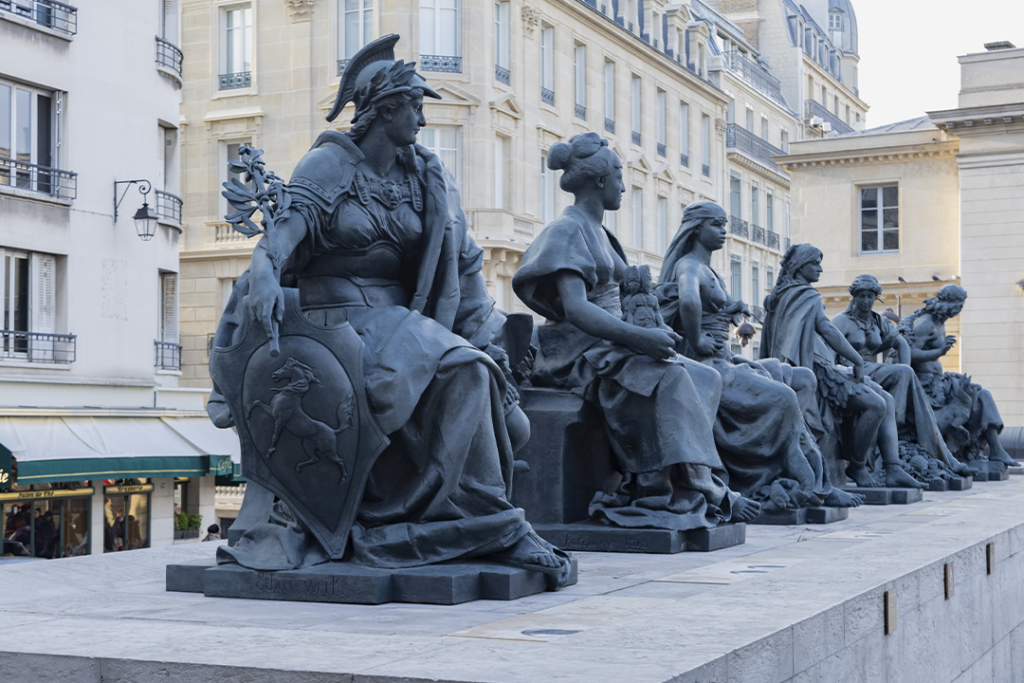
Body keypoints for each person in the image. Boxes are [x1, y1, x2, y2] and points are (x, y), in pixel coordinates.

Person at [213, 34, 570, 586]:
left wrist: (494, 331)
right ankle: (493, 522)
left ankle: (450, 518)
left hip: (402, 324)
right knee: (464, 369)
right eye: (415, 106)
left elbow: (465, 266)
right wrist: (263, 268)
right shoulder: (330, 162)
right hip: (335, 321)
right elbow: (285, 231)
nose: (423, 120)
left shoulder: (425, 177)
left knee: (475, 367)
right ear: (383, 108)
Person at [513, 134, 761, 530]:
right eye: (619, 176)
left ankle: (687, 480)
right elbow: (576, 308)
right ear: (599, 182)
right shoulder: (566, 230)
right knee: (671, 376)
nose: (624, 186)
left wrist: (648, 329)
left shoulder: (601, 234)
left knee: (707, 376)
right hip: (576, 349)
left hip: (610, 339)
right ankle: (670, 488)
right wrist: (638, 338)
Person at [657, 202, 862, 510]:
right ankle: (810, 483)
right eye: (716, 224)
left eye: (725, 223)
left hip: (727, 361)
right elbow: (688, 299)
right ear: (696, 228)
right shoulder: (690, 265)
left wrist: (730, 307)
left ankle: (786, 456)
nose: (724, 230)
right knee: (784, 398)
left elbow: (701, 301)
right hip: (707, 367)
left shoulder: (710, 269)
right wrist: (698, 338)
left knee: (804, 379)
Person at [760, 244, 925, 489]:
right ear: (799, 265)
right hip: (814, 370)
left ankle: (893, 468)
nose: (820, 269)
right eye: (815, 263)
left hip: (815, 367)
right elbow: (827, 330)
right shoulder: (806, 295)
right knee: (877, 404)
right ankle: (858, 468)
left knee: (886, 401)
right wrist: (857, 359)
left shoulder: (784, 294)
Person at [832, 275, 975, 477]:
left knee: (905, 372)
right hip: (849, 372)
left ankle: (945, 457)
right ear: (853, 297)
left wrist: (905, 371)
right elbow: (827, 350)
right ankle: (903, 422)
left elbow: (901, 343)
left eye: (870, 296)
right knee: (904, 373)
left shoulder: (877, 321)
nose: (865, 301)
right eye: (861, 296)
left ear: (876, 298)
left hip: (872, 370)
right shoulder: (841, 321)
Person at [897, 285, 1017, 467]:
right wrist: (939, 351)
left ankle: (996, 449)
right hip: (925, 383)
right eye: (959, 306)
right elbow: (907, 354)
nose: (959, 310)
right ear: (950, 304)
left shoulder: (938, 322)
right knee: (975, 396)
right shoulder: (926, 323)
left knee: (982, 395)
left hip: (941, 380)